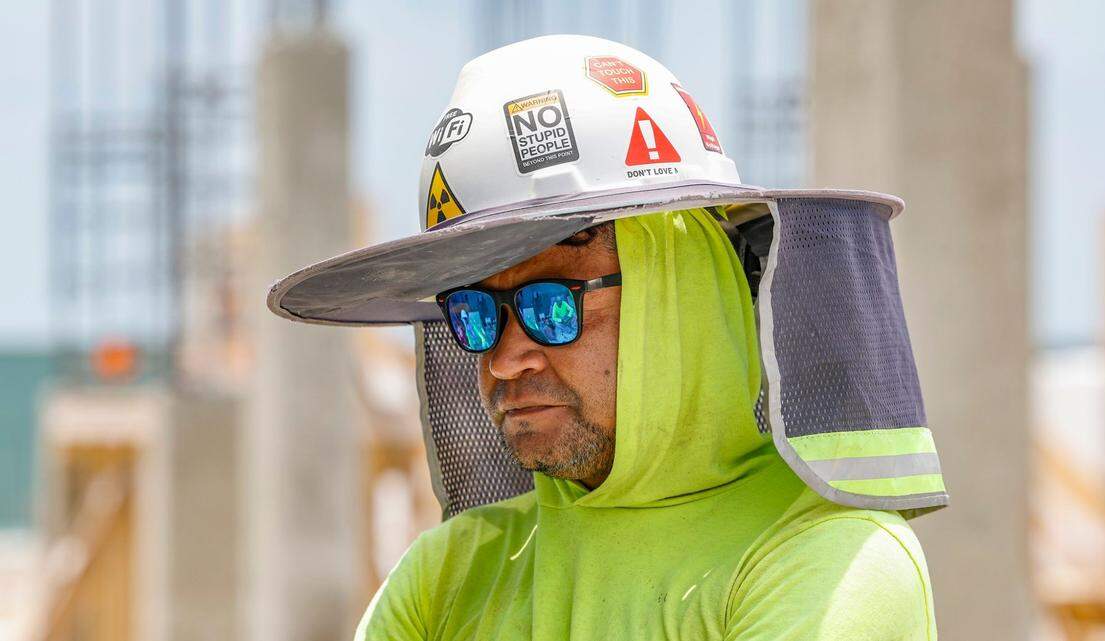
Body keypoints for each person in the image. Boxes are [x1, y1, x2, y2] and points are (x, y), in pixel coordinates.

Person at [267, 34, 947, 640]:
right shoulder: (446, 574)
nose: (505, 358)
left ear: (678, 293)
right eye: (475, 312)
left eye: (551, 303)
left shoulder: (830, 560)